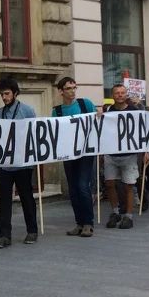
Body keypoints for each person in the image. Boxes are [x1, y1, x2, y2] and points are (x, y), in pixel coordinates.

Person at [0, 77, 38, 247]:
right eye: (2, 94)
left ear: (15, 93)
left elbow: (34, 134)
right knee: (4, 199)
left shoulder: (27, 111)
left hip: (23, 163)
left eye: (7, 94)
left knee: (26, 197)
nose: (4, 97)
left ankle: (32, 231)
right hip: (4, 163)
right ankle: (4, 235)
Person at [52, 76, 97, 236]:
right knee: (73, 189)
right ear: (61, 91)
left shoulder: (86, 104)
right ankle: (79, 222)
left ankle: (88, 223)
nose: (72, 91)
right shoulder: (57, 111)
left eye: (74, 88)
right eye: (68, 88)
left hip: (85, 153)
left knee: (82, 186)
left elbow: (97, 123)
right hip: (68, 154)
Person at [102, 82, 148, 229]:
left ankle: (128, 216)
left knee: (129, 185)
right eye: (117, 93)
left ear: (126, 94)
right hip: (111, 153)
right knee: (109, 184)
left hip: (129, 154)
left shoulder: (135, 111)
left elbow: (143, 131)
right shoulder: (107, 110)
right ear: (112, 96)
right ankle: (115, 212)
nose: (120, 95)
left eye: (123, 92)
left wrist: (147, 150)